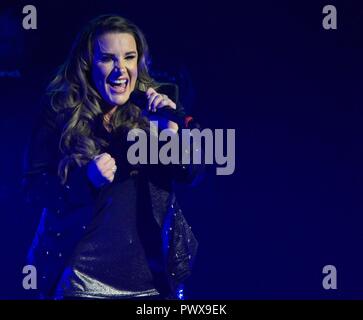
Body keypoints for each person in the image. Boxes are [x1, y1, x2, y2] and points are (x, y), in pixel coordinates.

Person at [22, 14, 203, 300]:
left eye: (129, 57)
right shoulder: (59, 113)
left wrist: (172, 130)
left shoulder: (154, 109)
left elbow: (189, 174)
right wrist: (86, 181)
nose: (121, 70)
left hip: (153, 280)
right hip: (84, 281)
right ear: (88, 64)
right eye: (108, 58)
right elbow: (33, 190)